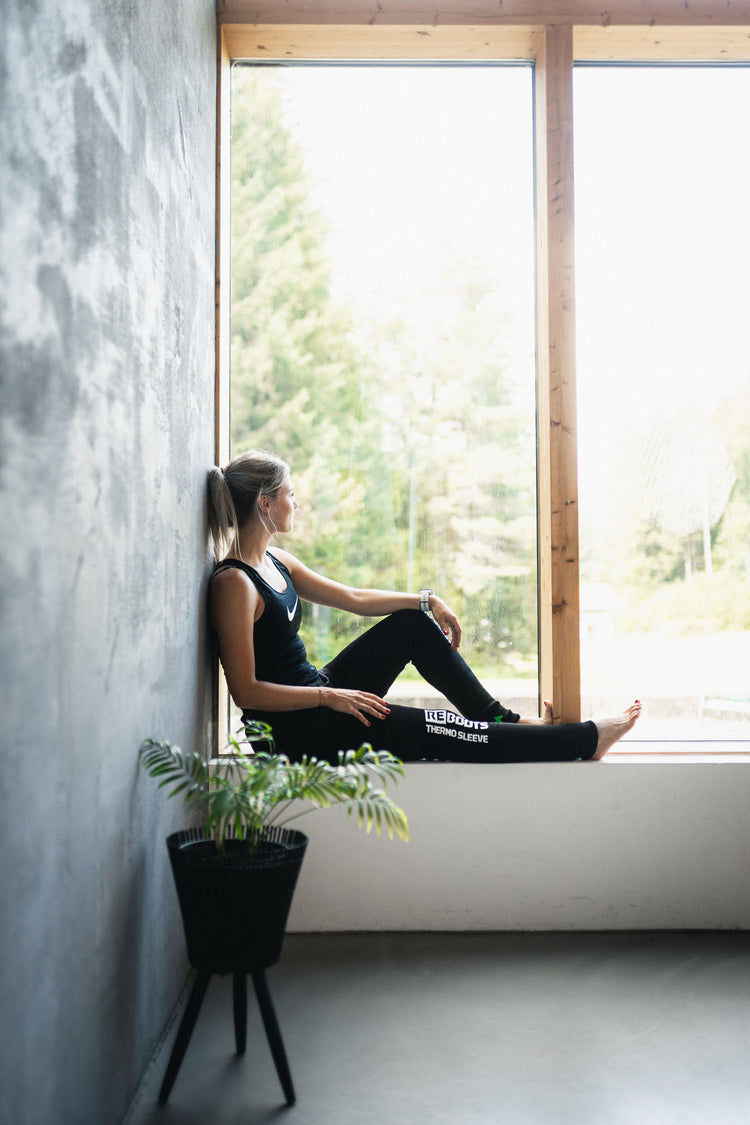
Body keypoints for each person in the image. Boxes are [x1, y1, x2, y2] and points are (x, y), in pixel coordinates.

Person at [207, 449, 641, 765]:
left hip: (321, 696)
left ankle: (508, 719)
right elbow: (245, 692)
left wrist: (425, 600)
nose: (295, 503)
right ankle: (586, 740)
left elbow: (354, 600)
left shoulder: (277, 562)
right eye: (289, 493)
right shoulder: (234, 583)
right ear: (265, 503)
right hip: (296, 732)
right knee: (448, 731)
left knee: (411, 624)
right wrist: (330, 697)